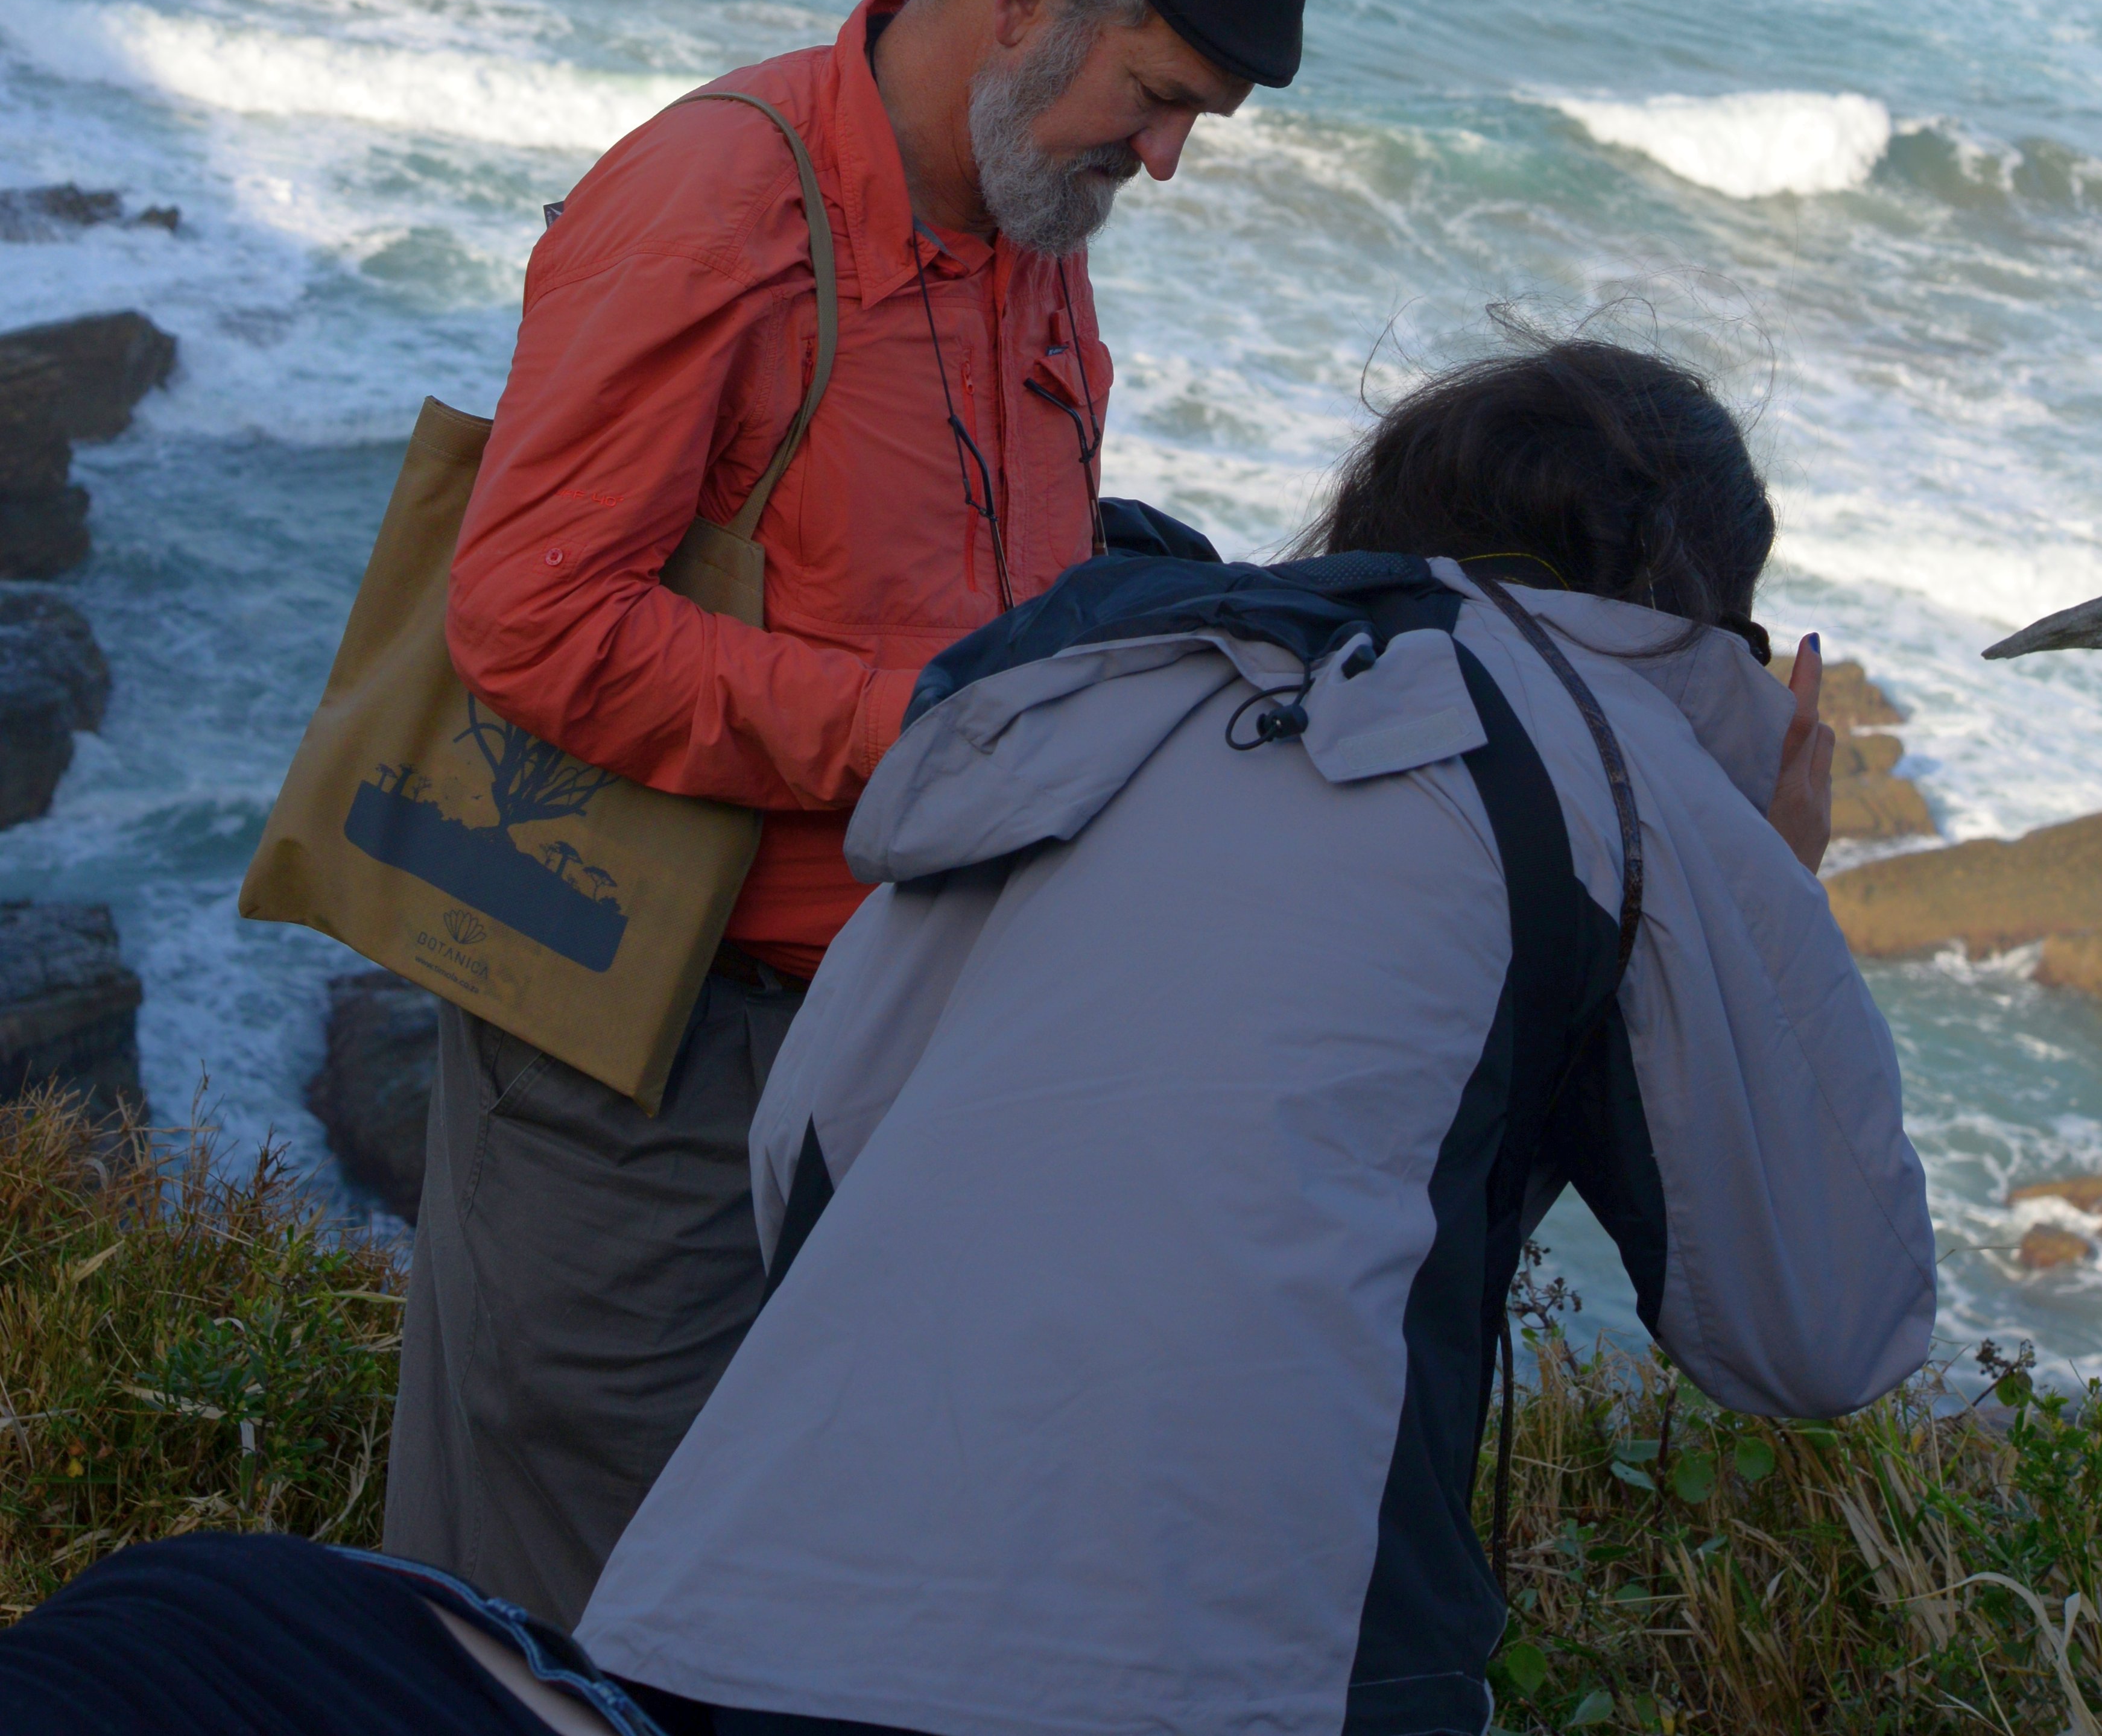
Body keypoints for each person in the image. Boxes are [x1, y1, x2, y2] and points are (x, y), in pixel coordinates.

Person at [574, 335, 1937, 1736]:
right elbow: (1825, 1329)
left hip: (757, 1610)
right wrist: (1771, 882)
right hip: (1235, 1662)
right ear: (1700, 622)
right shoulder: (1618, 762)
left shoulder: (1106, 697)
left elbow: (807, 1141)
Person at [384, 0, 1312, 1627]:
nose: (1160, 163)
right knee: (562, 1620)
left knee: (789, 1612)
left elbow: (975, 570)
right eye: (1155, 101)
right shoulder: (718, 196)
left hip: (894, 1064)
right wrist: (920, 731)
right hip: (646, 1069)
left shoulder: (1033, 230)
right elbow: (531, 618)